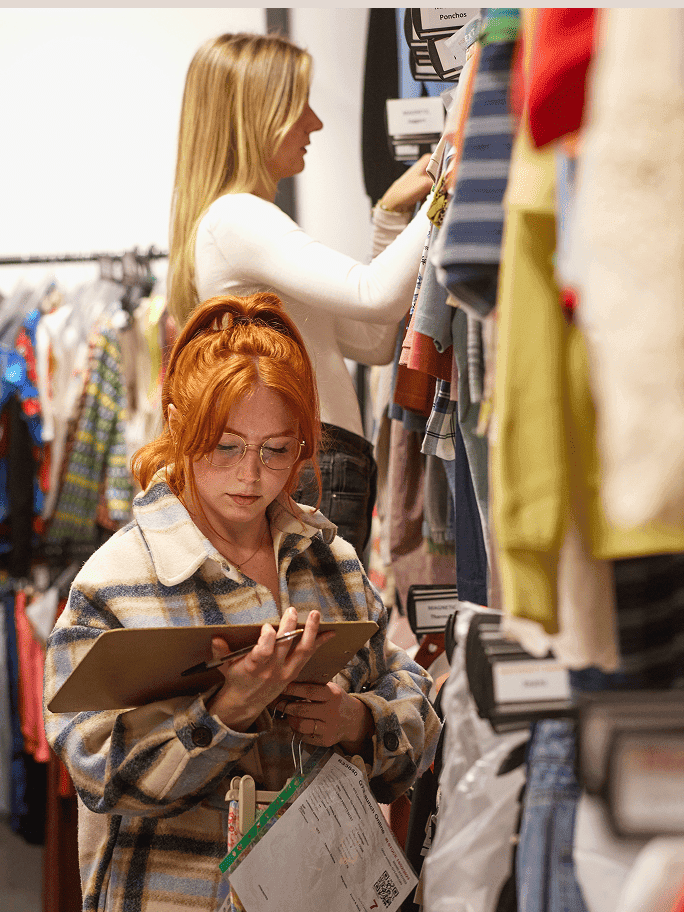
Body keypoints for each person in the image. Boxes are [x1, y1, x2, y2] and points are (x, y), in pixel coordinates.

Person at [43, 292, 441, 912]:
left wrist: (355, 721)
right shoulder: (116, 582)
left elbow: (414, 706)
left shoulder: (329, 562)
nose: (251, 476)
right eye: (226, 446)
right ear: (178, 424)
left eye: (277, 450)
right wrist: (227, 710)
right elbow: (95, 767)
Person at [167, 31, 436, 559]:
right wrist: (450, 184)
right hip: (316, 467)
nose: (313, 122)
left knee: (321, 634)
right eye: (299, 107)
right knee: (321, 637)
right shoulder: (237, 218)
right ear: (258, 115)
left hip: (327, 464)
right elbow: (376, 295)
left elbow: (372, 340)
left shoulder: (238, 222)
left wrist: (387, 215)